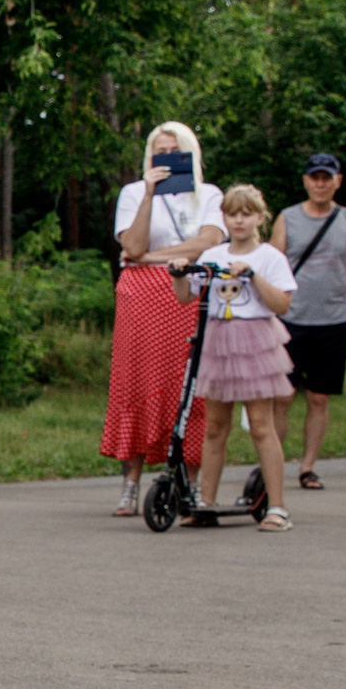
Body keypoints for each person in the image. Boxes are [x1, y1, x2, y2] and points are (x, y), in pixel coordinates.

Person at [104, 122, 227, 515]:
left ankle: (192, 483)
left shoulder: (208, 194)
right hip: (140, 297)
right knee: (136, 381)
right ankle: (131, 482)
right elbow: (132, 245)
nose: (168, 160)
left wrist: (152, 259)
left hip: (187, 290)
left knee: (190, 383)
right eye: (160, 153)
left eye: (176, 151)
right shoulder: (134, 193)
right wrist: (149, 192)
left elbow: (208, 242)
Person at [173, 184, 295, 532]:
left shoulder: (269, 256)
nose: (239, 221)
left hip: (254, 340)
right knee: (214, 427)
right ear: (223, 217)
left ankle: (278, 506)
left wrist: (253, 276)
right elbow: (186, 297)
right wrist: (180, 273)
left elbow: (282, 304)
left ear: (259, 217)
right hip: (219, 339)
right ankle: (206, 502)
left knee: (261, 425)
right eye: (232, 214)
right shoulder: (213, 254)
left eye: (246, 214)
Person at [268, 154, 346, 491]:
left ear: (337, 181)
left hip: (332, 320)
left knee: (319, 397)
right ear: (306, 181)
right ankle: (274, 462)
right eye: (315, 178)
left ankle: (308, 466)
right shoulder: (287, 219)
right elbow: (269, 266)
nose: (320, 184)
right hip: (290, 318)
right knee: (281, 396)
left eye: (327, 178)